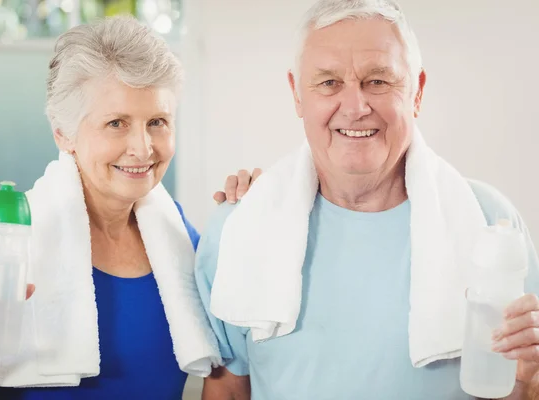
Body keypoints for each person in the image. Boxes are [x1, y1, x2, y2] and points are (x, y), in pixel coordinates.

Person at [196, 0, 539, 399]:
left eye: (378, 81)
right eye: (328, 83)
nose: (356, 107)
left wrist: (526, 381)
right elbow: (228, 392)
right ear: (296, 94)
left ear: (417, 92)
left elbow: (519, 382)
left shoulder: (489, 223)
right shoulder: (241, 227)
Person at [0, 16, 258, 400]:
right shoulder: (11, 244)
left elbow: (229, 373)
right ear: (63, 133)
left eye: (157, 121)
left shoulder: (181, 238)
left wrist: (249, 223)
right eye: (116, 123)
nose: (143, 148)